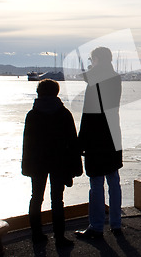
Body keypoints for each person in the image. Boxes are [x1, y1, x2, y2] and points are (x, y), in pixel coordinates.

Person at [22, 79, 82, 247]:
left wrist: (26, 166)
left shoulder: (32, 115)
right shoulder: (64, 113)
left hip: (37, 163)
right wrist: (75, 167)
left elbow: (27, 144)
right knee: (57, 200)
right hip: (59, 162)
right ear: (56, 92)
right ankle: (60, 238)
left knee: (36, 198)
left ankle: (36, 235)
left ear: (39, 93)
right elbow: (72, 142)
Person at [75, 47, 123, 239]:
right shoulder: (115, 78)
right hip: (112, 134)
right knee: (113, 179)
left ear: (96, 59)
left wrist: (81, 141)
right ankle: (116, 224)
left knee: (96, 182)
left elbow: (89, 115)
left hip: (96, 137)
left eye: (91, 59)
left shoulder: (94, 81)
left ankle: (96, 227)